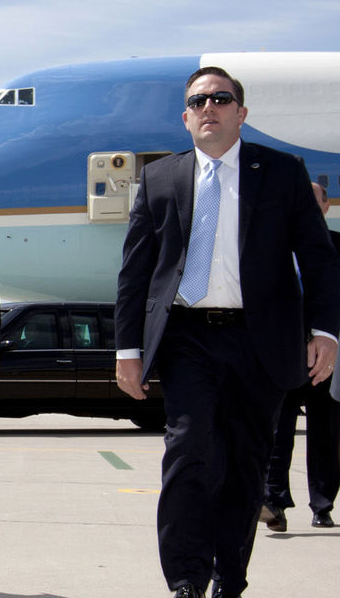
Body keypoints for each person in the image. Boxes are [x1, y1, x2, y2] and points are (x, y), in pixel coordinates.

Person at [114, 66, 340, 598]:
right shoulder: (160, 178)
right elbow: (135, 272)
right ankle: (187, 578)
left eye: (221, 98)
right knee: (188, 450)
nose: (208, 107)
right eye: (198, 101)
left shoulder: (283, 172)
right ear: (186, 117)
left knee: (243, 464)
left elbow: (319, 260)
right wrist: (127, 349)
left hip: (259, 341)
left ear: (241, 113)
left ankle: (229, 576)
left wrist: (326, 332)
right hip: (187, 338)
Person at [260, 182, 340, 531]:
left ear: (325, 208)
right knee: (279, 430)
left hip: (325, 354)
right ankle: (274, 501)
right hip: (284, 353)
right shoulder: (274, 246)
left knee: (325, 432)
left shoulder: (337, 245)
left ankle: (322, 504)